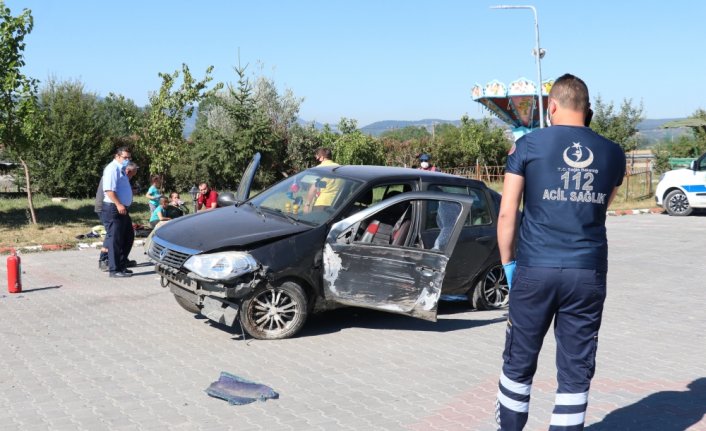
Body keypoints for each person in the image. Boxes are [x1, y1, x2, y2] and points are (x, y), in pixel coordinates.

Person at [494, 74, 626, 430]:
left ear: (551, 106)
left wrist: (508, 266)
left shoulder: (528, 146)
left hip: (534, 269)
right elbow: (601, 209)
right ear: (589, 111)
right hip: (587, 272)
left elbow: (508, 213)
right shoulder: (614, 154)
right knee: (574, 372)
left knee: (519, 362)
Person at [102, 147, 135, 278]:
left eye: (129, 158)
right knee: (115, 239)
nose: (127, 160)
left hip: (122, 208)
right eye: (125, 158)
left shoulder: (121, 169)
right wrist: (118, 204)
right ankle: (114, 269)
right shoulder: (112, 169)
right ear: (117, 156)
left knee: (128, 237)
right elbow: (109, 190)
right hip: (114, 208)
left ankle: (121, 265)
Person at [303, 147, 340, 213]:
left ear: (322, 157)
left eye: (317, 157)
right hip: (338, 204)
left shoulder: (319, 169)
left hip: (321, 205)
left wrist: (307, 205)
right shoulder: (340, 167)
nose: (317, 160)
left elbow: (313, 188)